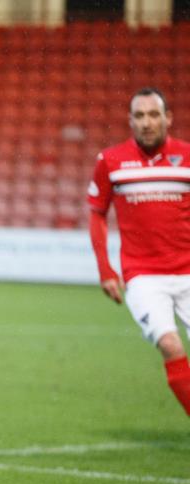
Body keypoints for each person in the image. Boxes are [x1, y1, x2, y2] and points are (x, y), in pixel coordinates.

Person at [89, 87, 190, 417]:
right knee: (170, 345)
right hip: (144, 276)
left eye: (154, 115)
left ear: (168, 118)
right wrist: (106, 270)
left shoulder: (187, 158)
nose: (147, 122)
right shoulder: (111, 161)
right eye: (140, 116)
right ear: (129, 121)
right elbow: (97, 213)